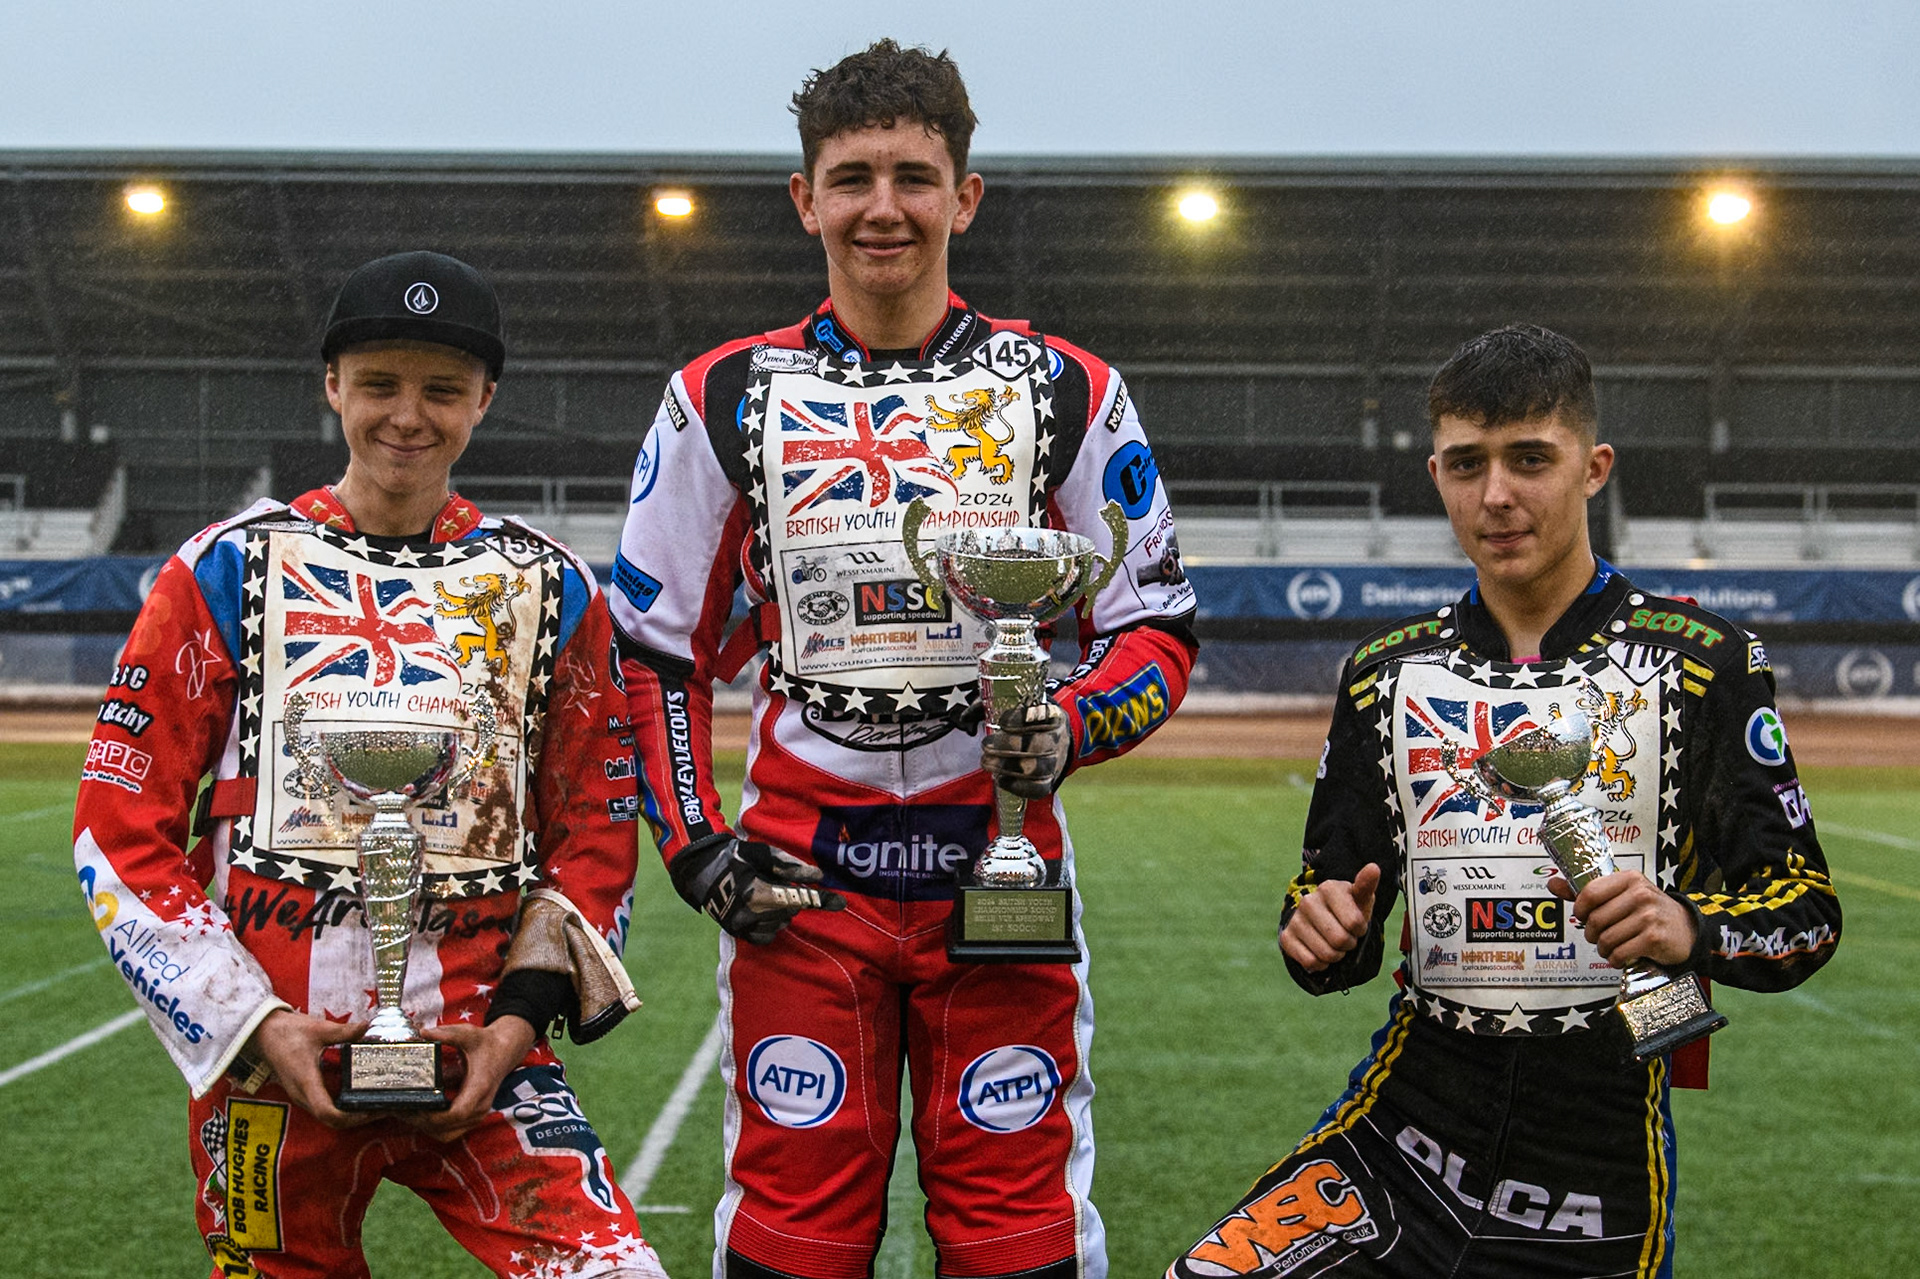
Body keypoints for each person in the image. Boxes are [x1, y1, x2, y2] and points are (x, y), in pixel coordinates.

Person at [608, 40, 1198, 1279]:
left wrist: (1072, 726)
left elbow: (1155, 625)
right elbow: (653, 653)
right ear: (805, 198)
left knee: (1017, 1235)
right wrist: (694, 846)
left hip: (1006, 878)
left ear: (964, 196)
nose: (885, 205)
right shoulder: (717, 395)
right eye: (855, 174)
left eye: (915, 176)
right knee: (791, 1238)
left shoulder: (1072, 390)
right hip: (800, 887)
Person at [1167, 324, 1841, 1279]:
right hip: (1407, 1135)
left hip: (1591, 1173)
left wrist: (1690, 927)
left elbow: (1805, 915)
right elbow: (1328, 908)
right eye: (1466, 463)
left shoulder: (1705, 664)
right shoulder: (1384, 676)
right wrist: (1321, 931)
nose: (1496, 495)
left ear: (1593, 467)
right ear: (1436, 473)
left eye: (1530, 459)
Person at [73, 250, 667, 1279]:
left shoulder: (552, 584)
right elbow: (117, 831)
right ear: (332, 386)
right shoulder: (221, 568)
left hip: (484, 1058)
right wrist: (253, 1022)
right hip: (270, 1072)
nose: (409, 415)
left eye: (442, 389)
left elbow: (596, 828)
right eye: (380, 384)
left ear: (485, 399)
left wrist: (519, 1025)